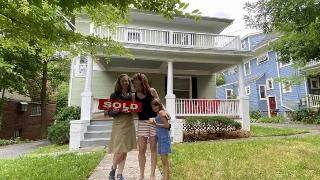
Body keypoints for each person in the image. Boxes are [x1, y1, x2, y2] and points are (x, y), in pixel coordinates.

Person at [108, 74, 137, 180]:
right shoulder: (114, 95)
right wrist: (118, 110)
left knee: (125, 149)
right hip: (118, 123)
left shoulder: (132, 95)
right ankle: (113, 170)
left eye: (127, 81)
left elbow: (135, 110)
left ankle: (120, 174)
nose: (125, 83)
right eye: (123, 81)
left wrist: (130, 110)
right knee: (119, 150)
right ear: (119, 83)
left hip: (129, 122)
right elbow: (109, 112)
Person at [132, 73, 159, 180]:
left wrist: (165, 114)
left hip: (153, 122)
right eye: (133, 80)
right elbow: (134, 112)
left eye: (135, 80)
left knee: (153, 149)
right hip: (142, 122)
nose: (133, 82)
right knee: (141, 150)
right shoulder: (134, 95)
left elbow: (159, 105)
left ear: (142, 80)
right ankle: (141, 175)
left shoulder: (152, 91)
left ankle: (152, 175)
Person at [149, 98, 171, 180]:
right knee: (163, 160)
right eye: (153, 107)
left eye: (156, 106)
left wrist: (155, 124)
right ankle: (164, 177)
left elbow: (167, 125)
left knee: (164, 160)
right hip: (161, 140)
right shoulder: (159, 113)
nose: (154, 108)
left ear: (159, 105)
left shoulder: (161, 113)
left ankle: (166, 178)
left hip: (164, 139)